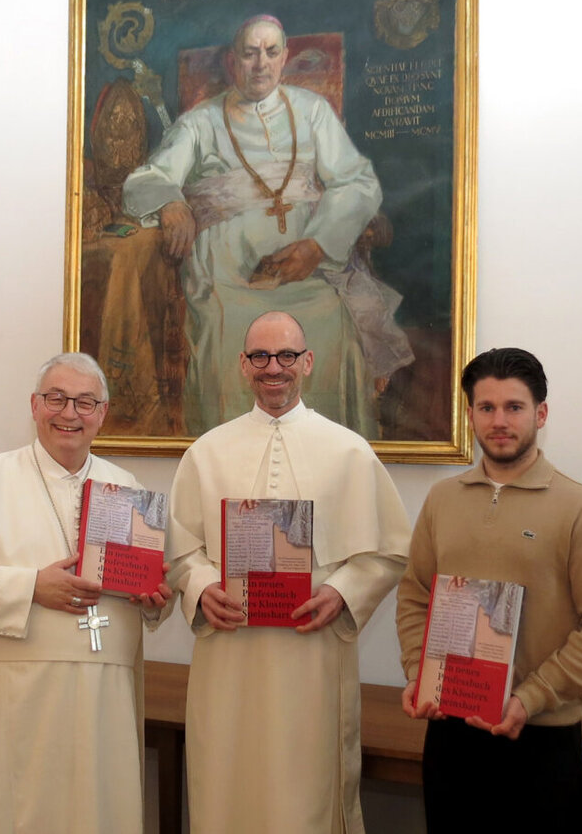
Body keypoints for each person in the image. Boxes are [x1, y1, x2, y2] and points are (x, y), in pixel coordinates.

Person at [166, 311, 410, 833]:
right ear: (242, 366)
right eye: (260, 356)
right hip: (229, 658)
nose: (273, 368)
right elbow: (178, 551)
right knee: (227, 784)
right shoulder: (205, 452)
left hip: (311, 654)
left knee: (306, 793)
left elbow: (389, 551)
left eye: (286, 356)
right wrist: (202, 586)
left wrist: (343, 593)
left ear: (308, 363)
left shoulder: (350, 451)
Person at [0, 352, 173, 834]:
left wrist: (156, 599)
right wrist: (30, 586)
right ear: (34, 405)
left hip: (103, 698)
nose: (69, 413)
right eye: (56, 398)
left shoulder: (129, 489)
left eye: (84, 402)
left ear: (103, 413)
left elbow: (156, 585)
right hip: (15, 698)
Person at [123, 15, 411, 438]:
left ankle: (327, 457)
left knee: (334, 323)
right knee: (230, 338)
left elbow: (356, 181)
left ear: (285, 58)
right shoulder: (200, 122)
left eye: (271, 52)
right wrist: (169, 202)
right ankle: (231, 459)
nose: (261, 63)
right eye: (250, 52)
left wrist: (316, 245)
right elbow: (148, 178)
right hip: (228, 269)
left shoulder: (312, 111)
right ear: (231, 61)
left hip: (306, 263)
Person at [396, 348, 582, 833]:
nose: (499, 420)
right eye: (486, 408)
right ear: (470, 415)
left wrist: (530, 697)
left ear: (541, 414)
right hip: (450, 735)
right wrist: (422, 674)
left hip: (541, 739)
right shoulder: (442, 499)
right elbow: (415, 594)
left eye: (514, 407)